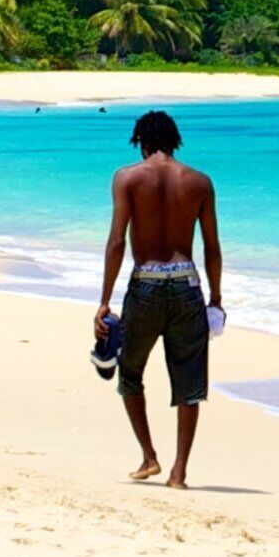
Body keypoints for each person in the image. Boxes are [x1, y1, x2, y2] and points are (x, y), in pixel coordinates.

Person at [96, 110, 224, 488]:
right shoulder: (199, 182)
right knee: (190, 382)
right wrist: (215, 299)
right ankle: (179, 472)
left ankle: (149, 457)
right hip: (187, 286)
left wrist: (104, 301)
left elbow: (117, 242)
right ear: (174, 141)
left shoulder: (127, 179)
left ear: (142, 142)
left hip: (146, 285)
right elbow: (212, 248)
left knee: (130, 373)